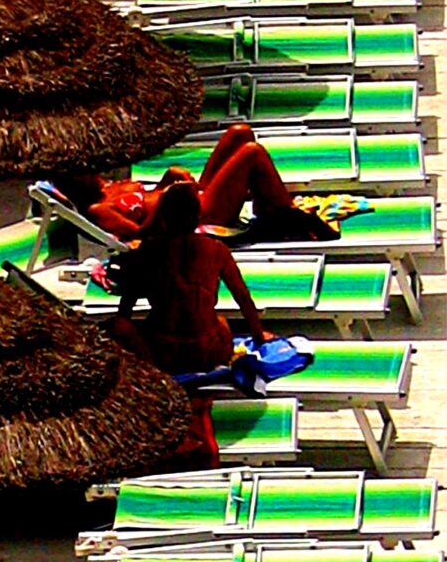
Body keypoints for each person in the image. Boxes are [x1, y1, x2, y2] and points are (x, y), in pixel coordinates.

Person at [54, 124, 335, 244]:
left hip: (192, 197)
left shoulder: (110, 185)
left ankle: (269, 207)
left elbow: (148, 195)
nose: (89, 167)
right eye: (80, 170)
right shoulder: (98, 209)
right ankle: (287, 215)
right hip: (193, 217)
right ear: (72, 182)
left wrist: (167, 181)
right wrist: (169, 200)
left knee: (240, 133)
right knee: (251, 152)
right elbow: (141, 236)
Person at [112, 181, 272, 375]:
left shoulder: (149, 251)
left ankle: (153, 373)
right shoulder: (216, 250)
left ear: (164, 218)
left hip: (164, 354)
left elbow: (126, 308)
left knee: (119, 326)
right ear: (198, 217)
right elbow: (243, 298)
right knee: (220, 321)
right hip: (209, 353)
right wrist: (259, 336)